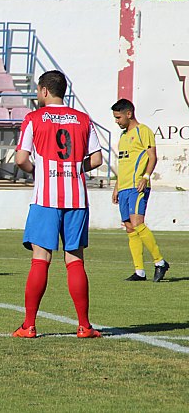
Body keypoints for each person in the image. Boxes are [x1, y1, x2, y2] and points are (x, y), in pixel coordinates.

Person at [13, 70, 103, 339]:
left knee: (41, 260)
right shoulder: (83, 119)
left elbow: (20, 159)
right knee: (75, 261)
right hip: (77, 199)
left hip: (45, 199)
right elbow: (97, 160)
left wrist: (36, 170)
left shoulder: (34, 118)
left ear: (43, 91)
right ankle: (84, 326)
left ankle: (29, 325)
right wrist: (75, 167)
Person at [111, 99, 170, 282]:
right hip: (124, 188)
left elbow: (152, 157)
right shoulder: (122, 137)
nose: (116, 121)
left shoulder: (143, 131)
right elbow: (123, 164)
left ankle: (160, 262)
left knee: (138, 223)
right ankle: (139, 271)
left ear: (129, 114)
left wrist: (145, 177)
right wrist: (116, 187)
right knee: (129, 228)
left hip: (138, 186)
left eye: (118, 117)